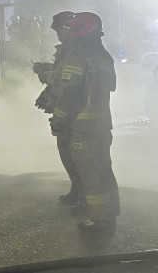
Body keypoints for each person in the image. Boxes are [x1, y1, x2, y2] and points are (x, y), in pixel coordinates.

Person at [49, 12, 120, 232]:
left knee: (91, 175)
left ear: (79, 31)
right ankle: (111, 211)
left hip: (83, 127)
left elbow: (71, 95)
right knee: (104, 170)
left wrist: (57, 121)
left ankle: (100, 219)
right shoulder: (102, 55)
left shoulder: (79, 56)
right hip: (101, 124)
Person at [33, 11, 82, 206]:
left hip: (72, 114)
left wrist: (45, 74)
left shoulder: (75, 52)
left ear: (69, 29)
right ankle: (77, 190)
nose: (58, 35)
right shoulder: (70, 50)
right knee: (69, 156)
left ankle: (83, 196)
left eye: (60, 30)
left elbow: (66, 81)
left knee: (75, 157)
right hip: (70, 113)